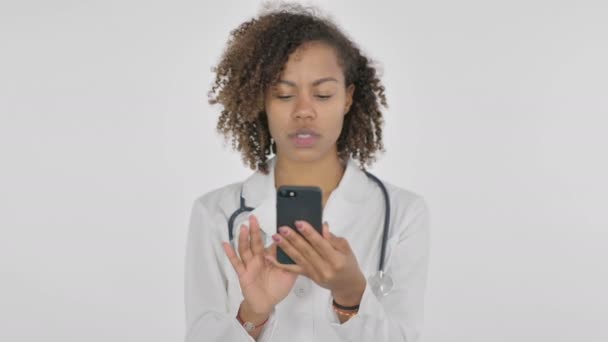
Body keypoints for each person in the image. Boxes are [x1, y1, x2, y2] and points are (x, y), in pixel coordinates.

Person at [185, 4, 430, 342]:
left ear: (347, 98)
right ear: (262, 101)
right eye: (284, 94)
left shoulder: (403, 213)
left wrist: (351, 294)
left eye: (323, 94)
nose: (303, 111)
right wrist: (253, 313)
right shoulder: (214, 213)